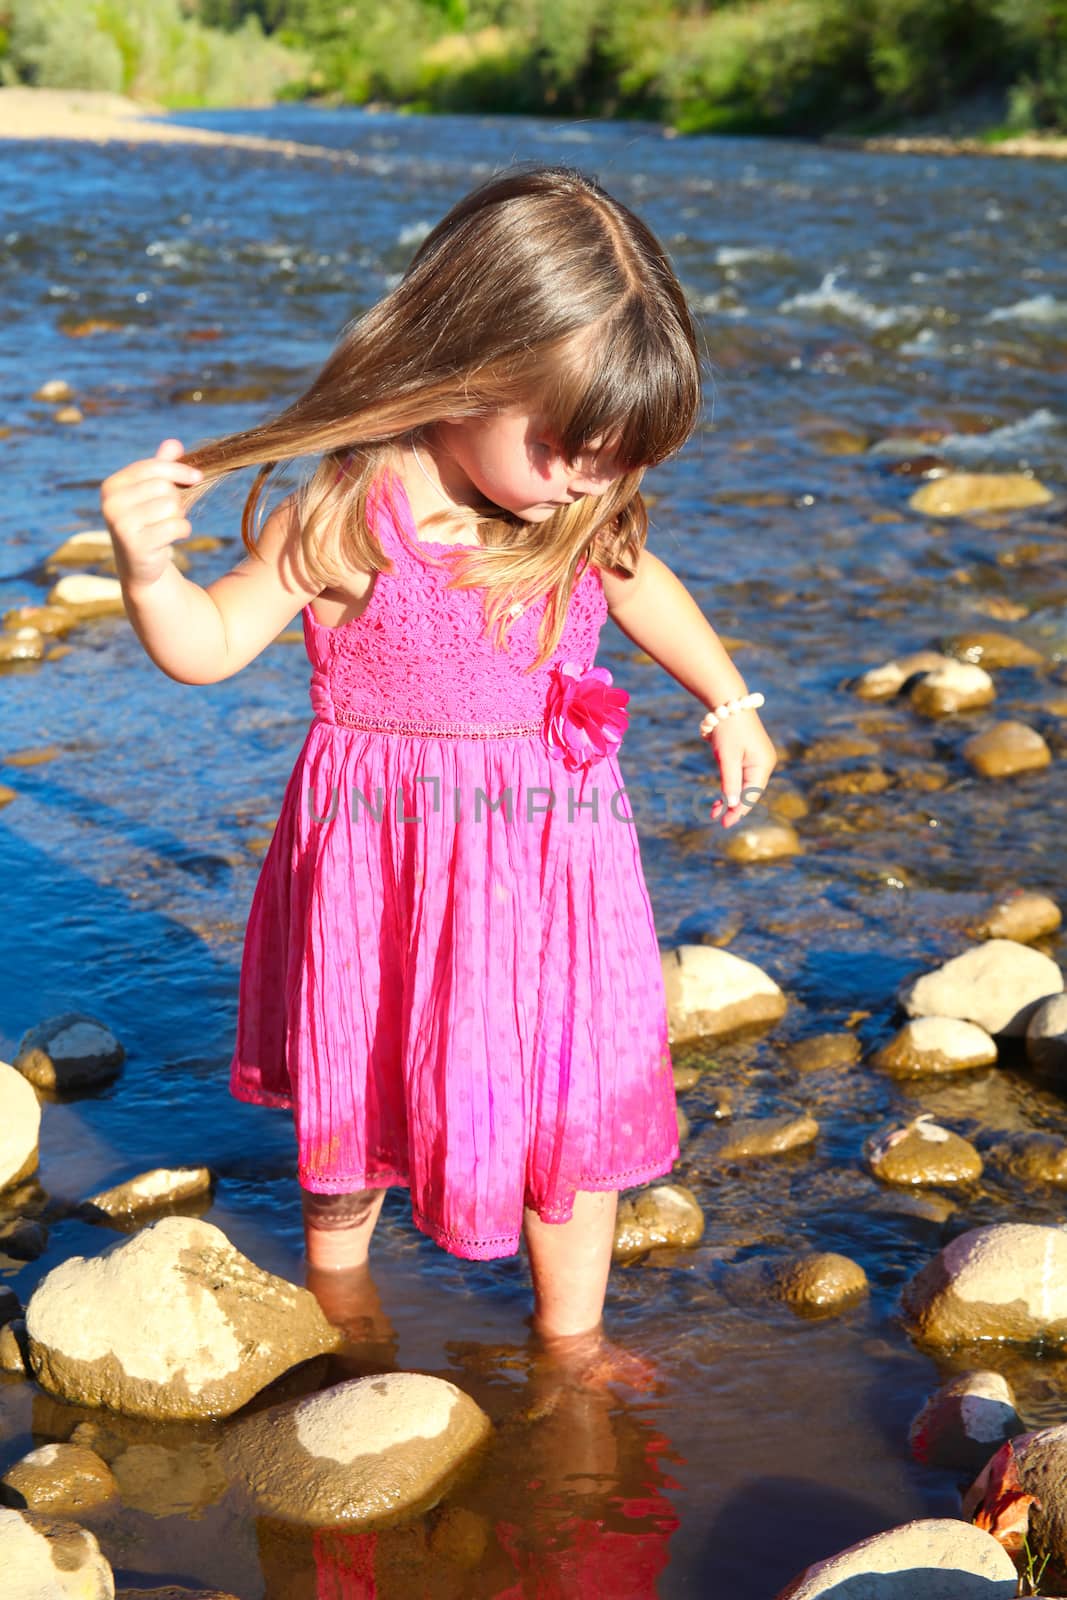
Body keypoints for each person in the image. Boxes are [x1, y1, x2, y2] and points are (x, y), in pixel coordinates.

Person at [100, 161, 777, 1382]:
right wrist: (152, 578)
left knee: (560, 1094)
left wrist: (727, 696)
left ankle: (571, 1336)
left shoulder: (583, 499)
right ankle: (343, 1290)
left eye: (619, 460)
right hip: (390, 860)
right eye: (570, 448)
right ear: (465, 370)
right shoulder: (360, 504)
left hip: (553, 858)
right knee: (360, 1077)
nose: (589, 479)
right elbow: (209, 648)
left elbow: (637, 581)